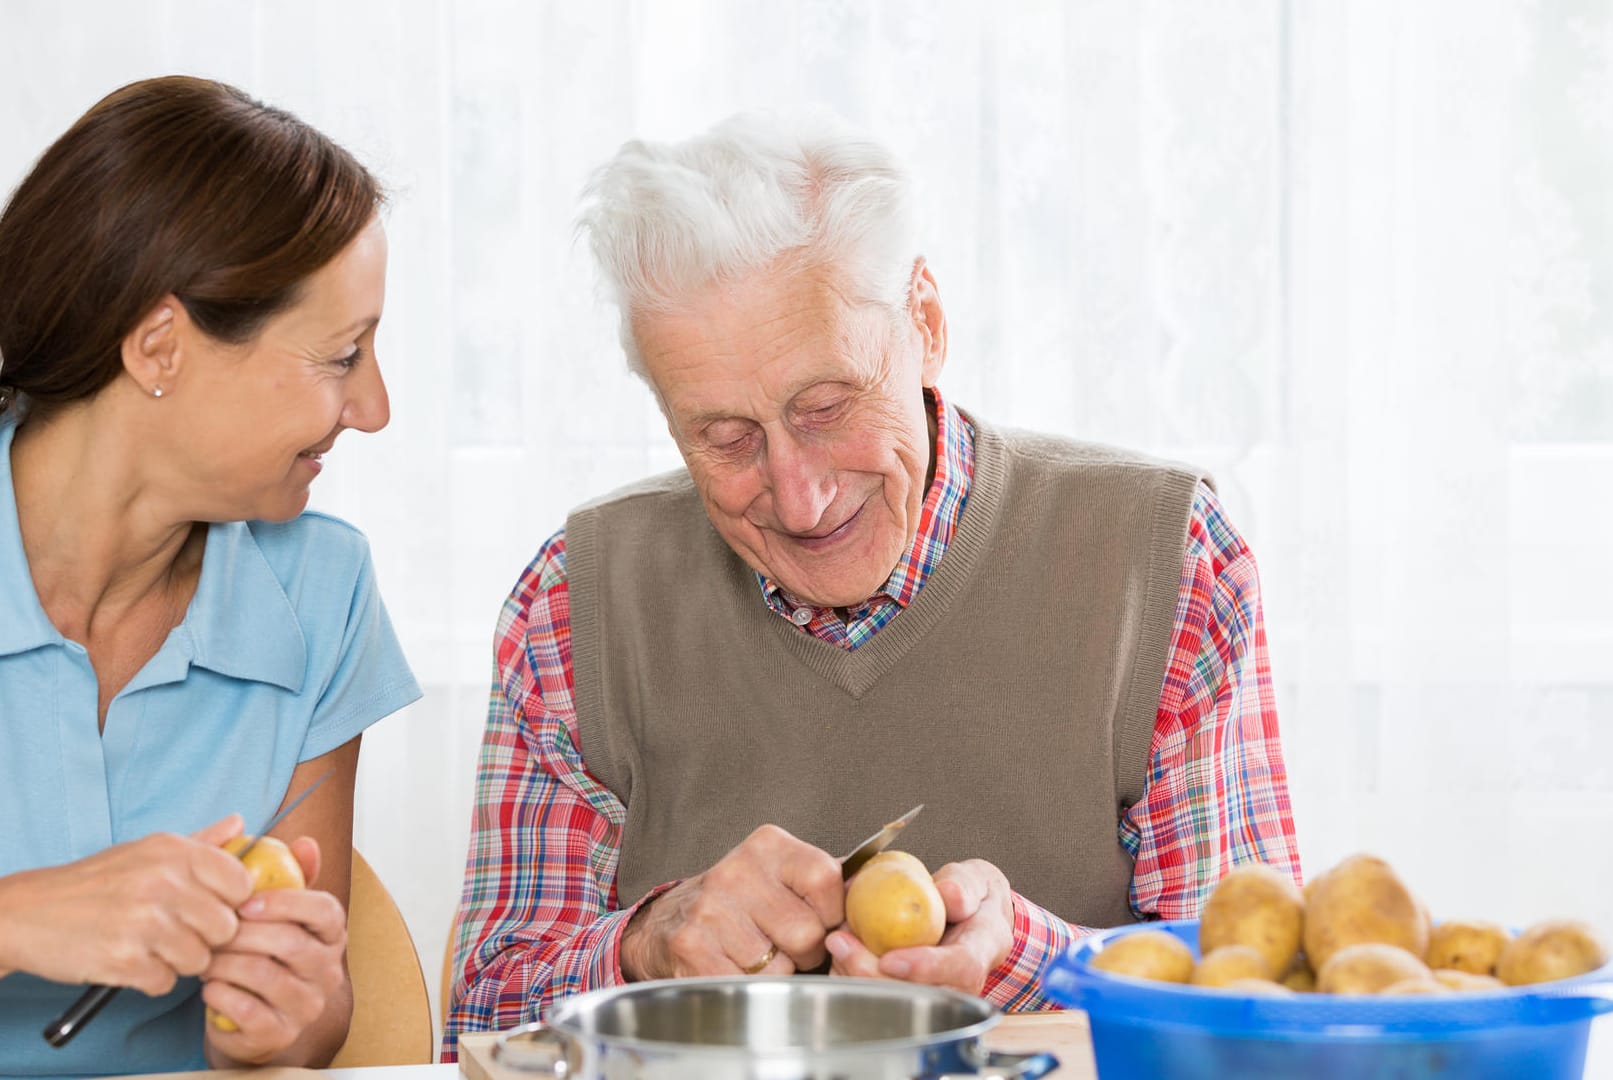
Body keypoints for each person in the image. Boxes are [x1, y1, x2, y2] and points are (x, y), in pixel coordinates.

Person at [442, 112, 1299, 1058]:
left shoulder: (1168, 562)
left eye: (827, 406)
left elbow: (1250, 1016)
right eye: (725, 439)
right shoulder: (573, 604)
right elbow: (482, 1025)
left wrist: (1026, 959)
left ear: (924, 323)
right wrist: (646, 945)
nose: (801, 500)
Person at [0, 77, 420, 1074]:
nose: (374, 406)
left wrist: (291, 1008)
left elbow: (312, 1026)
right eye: (342, 355)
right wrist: (18, 919)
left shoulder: (322, 590)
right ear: (160, 347)